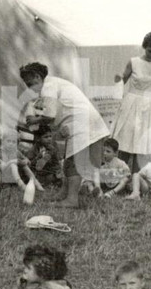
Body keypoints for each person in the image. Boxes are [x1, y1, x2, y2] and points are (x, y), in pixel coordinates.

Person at [18, 61, 110, 208]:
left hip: (83, 123)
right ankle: (64, 193)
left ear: (37, 76)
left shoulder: (48, 86)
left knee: (74, 163)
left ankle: (72, 199)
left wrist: (35, 120)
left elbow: (50, 116)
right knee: (68, 161)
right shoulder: (53, 84)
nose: (30, 88)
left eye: (30, 83)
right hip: (82, 122)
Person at [111, 31, 151, 172]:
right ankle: (120, 175)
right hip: (131, 104)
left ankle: (136, 177)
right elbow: (123, 80)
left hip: (148, 107)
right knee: (125, 140)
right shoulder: (134, 62)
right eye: (149, 51)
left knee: (142, 144)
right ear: (144, 47)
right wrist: (118, 79)